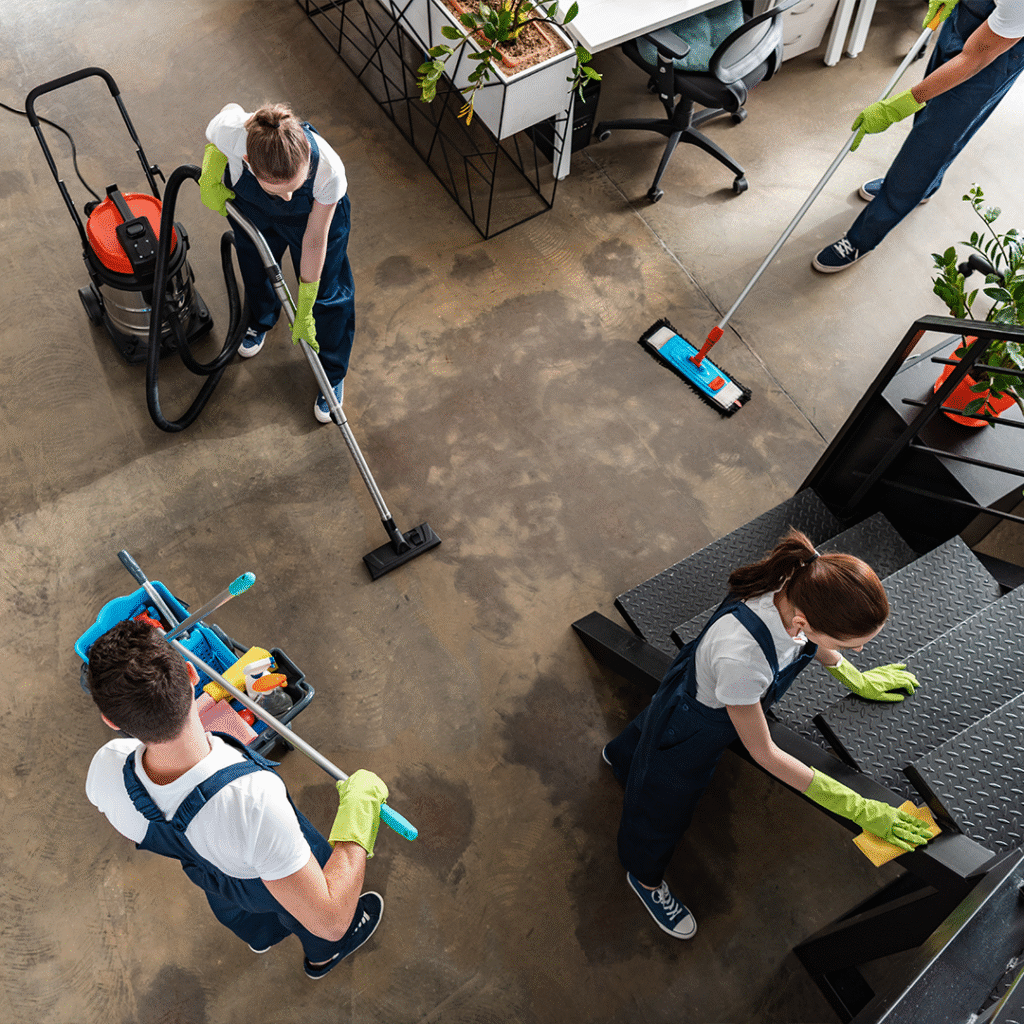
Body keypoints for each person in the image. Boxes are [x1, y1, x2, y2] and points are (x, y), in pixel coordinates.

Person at [603, 529, 933, 938]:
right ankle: (643, 874)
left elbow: (811, 640)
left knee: (652, 725)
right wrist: (858, 808)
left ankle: (621, 756)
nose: (859, 650)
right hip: (694, 726)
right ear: (803, 622)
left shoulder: (800, 579)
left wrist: (855, 677)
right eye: (851, 645)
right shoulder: (745, 661)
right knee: (663, 805)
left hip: (699, 682)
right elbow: (766, 753)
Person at [85, 618, 386, 979]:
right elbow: (331, 919)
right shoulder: (253, 802)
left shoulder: (106, 767)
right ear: (192, 674)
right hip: (257, 868)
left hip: (211, 871)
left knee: (237, 902)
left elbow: (156, 805)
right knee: (302, 906)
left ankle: (262, 935)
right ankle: (323, 958)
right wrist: (360, 811)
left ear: (111, 720)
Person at [812, 0, 1024, 273]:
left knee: (928, 146)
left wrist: (900, 105)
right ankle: (925, 186)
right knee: (931, 118)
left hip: (995, 55)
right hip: (970, 17)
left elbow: (972, 60)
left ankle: (861, 239)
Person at [199, 102, 354, 422]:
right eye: (278, 190)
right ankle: (261, 319)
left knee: (326, 293)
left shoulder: (329, 171)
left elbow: (315, 240)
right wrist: (211, 174)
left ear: (306, 160)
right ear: (247, 161)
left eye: (293, 187)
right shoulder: (232, 133)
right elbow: (216, 133)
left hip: (312, 220)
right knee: (255, 264)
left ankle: (331, 372)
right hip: (254, 207)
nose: (287, 197)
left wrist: (305, 305)